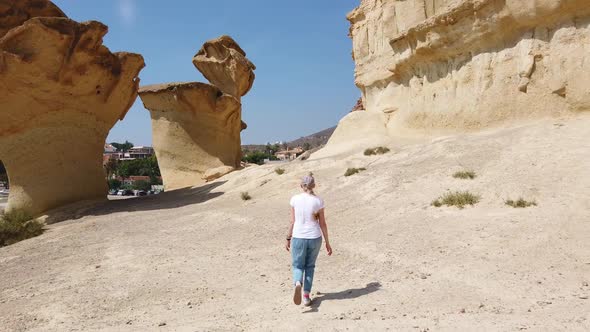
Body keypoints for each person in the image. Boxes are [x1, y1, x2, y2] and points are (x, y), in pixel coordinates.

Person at [285, 172, 332, 306]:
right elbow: (323, 223)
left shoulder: (294, 199)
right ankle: (306, 296)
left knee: (298, 265)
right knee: (310, 266)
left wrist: (288, 238)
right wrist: (327, 242)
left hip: (298, 236)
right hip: (315, 238)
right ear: (314, 185)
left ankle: (298, 282)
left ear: (301, 186)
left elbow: (292, 221)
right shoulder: (318, 201)